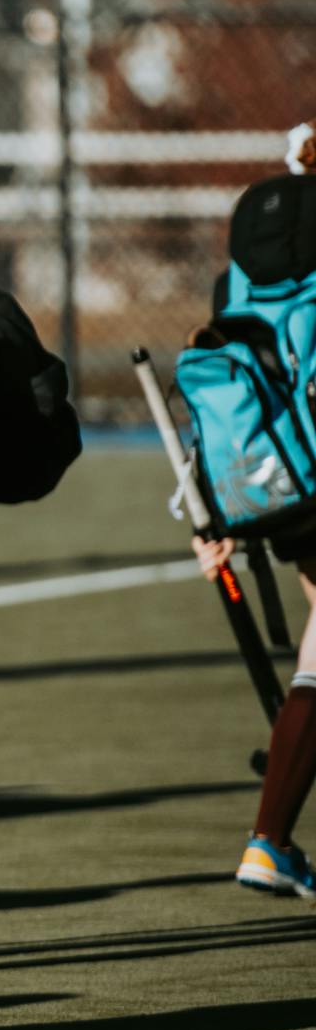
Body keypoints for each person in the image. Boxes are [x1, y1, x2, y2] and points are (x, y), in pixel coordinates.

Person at [187, 158, 316, 901]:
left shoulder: (244, 267)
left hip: (276, 485)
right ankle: (270, 840)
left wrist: (215, 511)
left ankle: (275, 839)